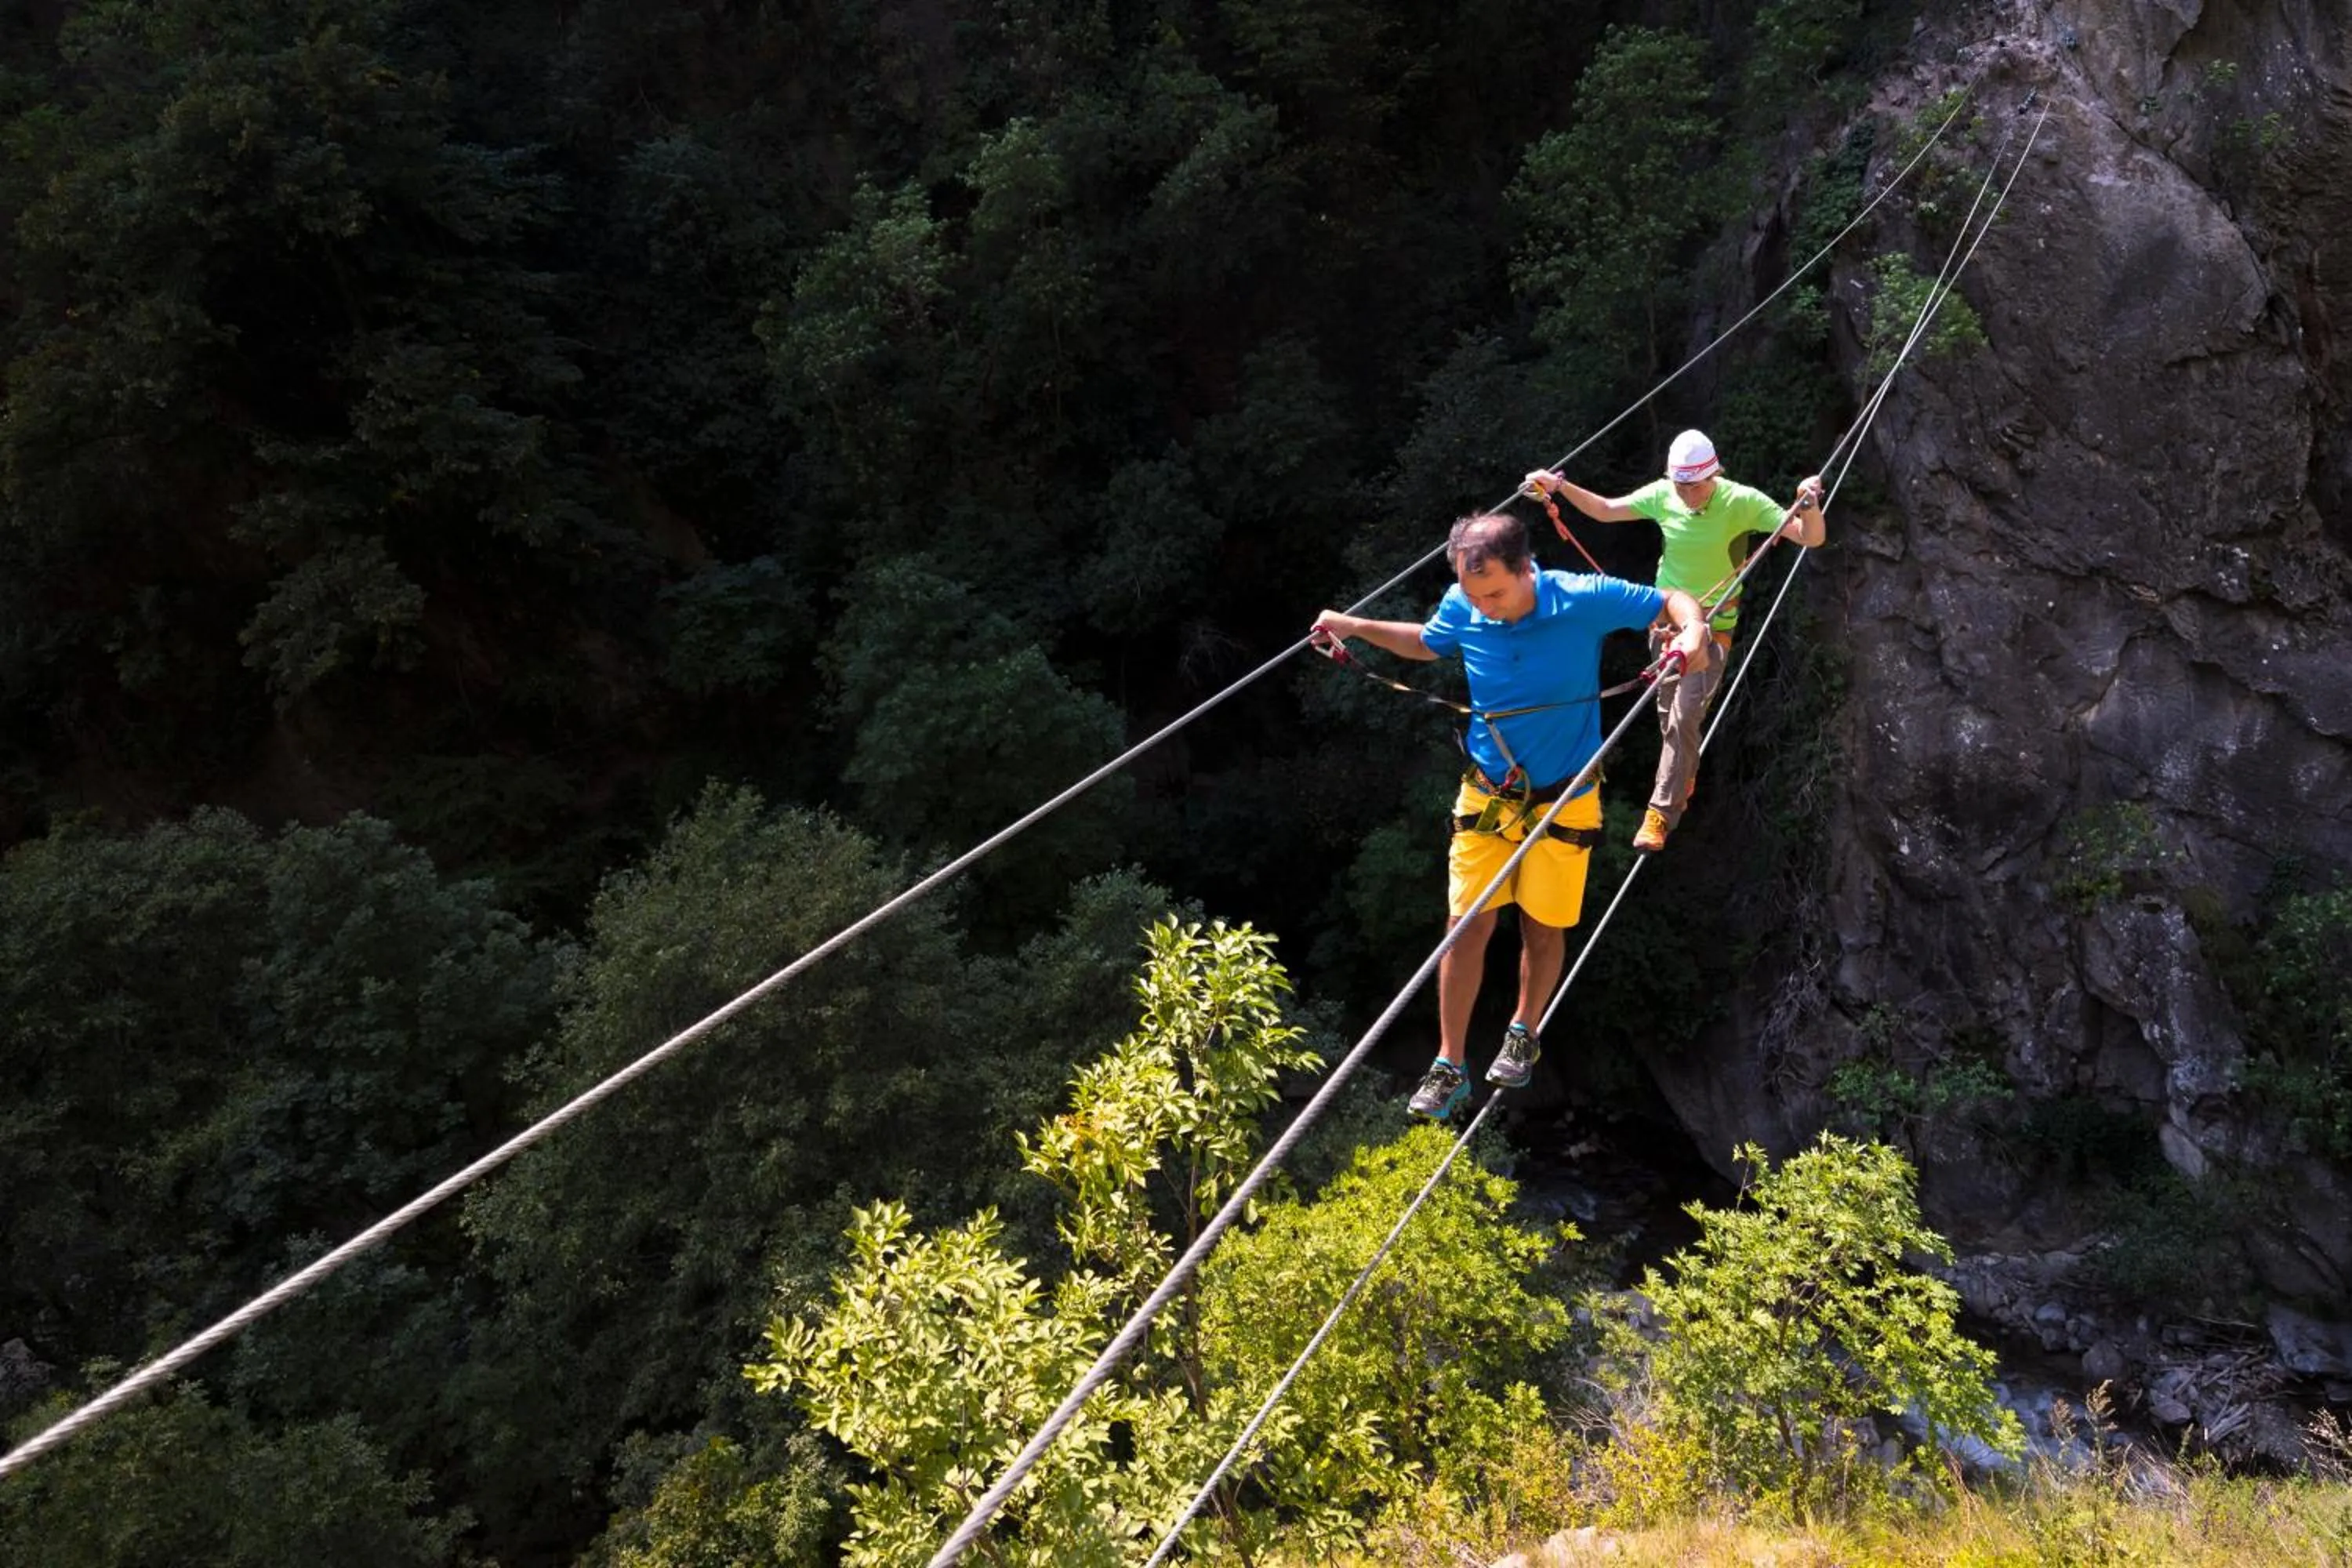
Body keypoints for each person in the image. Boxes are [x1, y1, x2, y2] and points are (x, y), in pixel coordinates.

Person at [1312, 510, 1712, 1118]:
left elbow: (1673, 600)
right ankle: (1450, 1063)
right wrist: (1356, 626)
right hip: (1488, 793)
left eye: (1495, 592)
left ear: (1528, 568)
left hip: (1565, 795)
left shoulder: (1580, 597)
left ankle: (1523, 1030)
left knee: (1542, 927)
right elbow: (1426, 641)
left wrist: (1692, 634)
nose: (1486, 607)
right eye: (1475, 595)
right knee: (1463, 927)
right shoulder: (1465, 604)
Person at [1525, 430, 1826, 853]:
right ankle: (1684, 772)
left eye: (1693, 486)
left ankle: (1659, 814)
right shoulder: (1664, 494)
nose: (1685, 495)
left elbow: (1810, 537)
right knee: (1670, 719)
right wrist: (1558, 486)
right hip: (1664, 626)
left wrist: (1809, 504)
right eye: (1679, 486)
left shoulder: (1741, 501)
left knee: (1684, 717)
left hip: (1710, 628)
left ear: (1714, 475)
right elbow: (1608, 510)